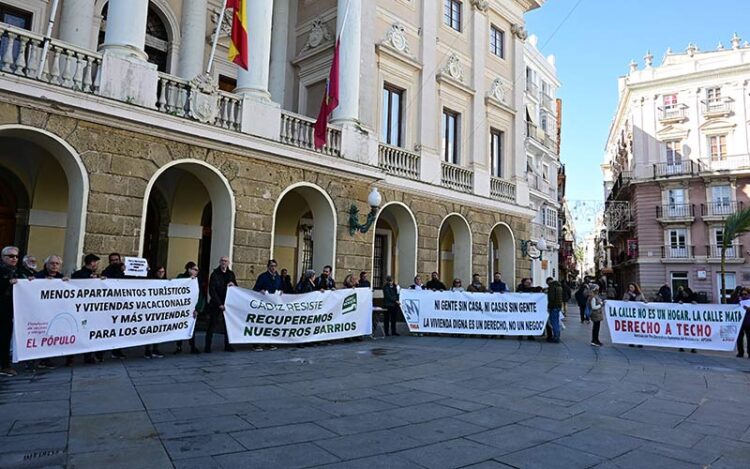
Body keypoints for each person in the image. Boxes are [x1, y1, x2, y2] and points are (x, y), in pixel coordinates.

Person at [72, 254, 105, 365]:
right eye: (97, 263)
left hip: (93, 309)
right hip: (82, 309)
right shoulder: (79, 275)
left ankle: (92, 355)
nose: (97, 265)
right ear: (92, 263)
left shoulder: (96, 275)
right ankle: (74, 357)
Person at [1, 246, 27, 377]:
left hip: (14, 310)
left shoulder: (19, 271)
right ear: (3, 257)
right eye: (11, 256)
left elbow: (30, 280)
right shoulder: (2, 271)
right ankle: (4, 365)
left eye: (16, 256)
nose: (14, 259)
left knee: (7, 336)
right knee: (3, 337)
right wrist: (7, 282)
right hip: (2, 309)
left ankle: (5, 363)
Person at [205, 256, 236, 353]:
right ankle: (207, 346)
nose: (224, 262)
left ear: (228, 263)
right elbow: (212, 291)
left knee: (228, 325)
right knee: (212, 325)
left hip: (228, 303)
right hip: (216, 304)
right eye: (222, 261)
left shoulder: (231, 274)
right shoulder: (215, 274)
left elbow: (236, 287)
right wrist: (219, 304)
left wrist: (233, 285)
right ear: (220, 262)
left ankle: (227, 345)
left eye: (225, 261)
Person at [175, 262, 201, 355]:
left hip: (191, 309)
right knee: (180, 326)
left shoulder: (197, 280)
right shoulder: (181, 277)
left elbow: (199, 296)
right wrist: (189, 280)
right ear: (189, 269)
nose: (197, 272)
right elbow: (176, 286)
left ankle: (192, 346)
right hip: (181, 308)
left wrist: (197, 308)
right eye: (195, 269)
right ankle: (179, 346)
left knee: (191, 327)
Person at [143, 266, 167, 359]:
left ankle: (155, 349)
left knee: (158, 330)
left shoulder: (166, 282)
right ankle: (147, 350)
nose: (161, 273)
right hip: (150, 310)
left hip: (160, 311)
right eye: (159, 271)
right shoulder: (150, 281)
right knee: (149, 330)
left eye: (163, 271)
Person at [546, 277, 563, 343]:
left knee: (554, 322)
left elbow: (551, 298)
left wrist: (549, 307)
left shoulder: (552, 287)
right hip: (558, 306)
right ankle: (557, 335)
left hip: (553, 307)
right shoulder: (559, 286)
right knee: (556, 321)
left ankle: (556, 337)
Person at [736, 288, 750, 358]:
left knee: (749, 339)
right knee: (739, 339)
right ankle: (740, 352)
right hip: (739, 323)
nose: (744, 295)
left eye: (745, 294)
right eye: (742, 294)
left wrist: (748, 309)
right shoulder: (739, 300)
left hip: (748, 322)